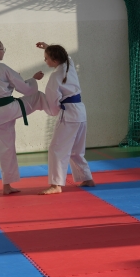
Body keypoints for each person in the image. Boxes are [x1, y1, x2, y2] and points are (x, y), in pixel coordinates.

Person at [0, 39, 49, 195]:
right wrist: (33, 79)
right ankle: (59, 110)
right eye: (3, 49)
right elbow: (26, 90)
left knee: (5, 150)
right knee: (38, 97)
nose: (4, 52)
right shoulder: (3, 68)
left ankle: (7, 186)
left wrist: (3, 89)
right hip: (10, 108)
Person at [35, 43, 95, 195]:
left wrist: (54, 111)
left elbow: (53, 99)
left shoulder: (55, 76)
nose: (45, 61)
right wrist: (48, 47)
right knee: (76, 150)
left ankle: (56, 185)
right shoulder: (69, 65)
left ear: (55, 61)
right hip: (80, 111)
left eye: (46, 58)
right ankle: (87, 178)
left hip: (68, 114)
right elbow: (66, 56)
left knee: (56, 149)